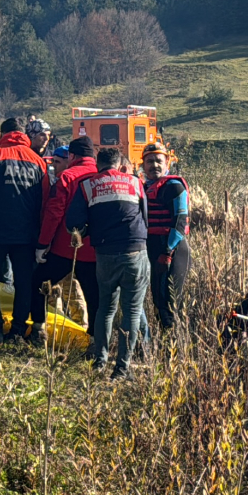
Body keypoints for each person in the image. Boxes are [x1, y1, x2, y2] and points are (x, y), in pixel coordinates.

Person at [66, 147, 150, 377]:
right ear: (120, 163)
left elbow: (73, 223)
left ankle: (100, 361)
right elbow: (145, 217)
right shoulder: (135, 183)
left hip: (105, 253)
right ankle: (122, 368)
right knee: (132, 312)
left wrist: (85, 231)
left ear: (97, 164)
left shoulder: (87, 185)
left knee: (106, 308)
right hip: (135, 251)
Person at [0, 116, 49, 342]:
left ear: (2, 134)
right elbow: (44, 201)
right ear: (23, 134)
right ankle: (17, 331)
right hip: (26, 234)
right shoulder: (38, 161)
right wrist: (41, 235)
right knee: (24, 282)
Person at [38, 136, 102, 326]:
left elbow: (53, 214)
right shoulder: (102, 175)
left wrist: (42, 244)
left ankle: (38, 327)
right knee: (94, 297)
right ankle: (94, 339)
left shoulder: (67, 177)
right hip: (95, 251)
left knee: (39, 283)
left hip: (64, 249)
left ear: (72, 155)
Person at [139, 143, 190, 332]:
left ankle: (176, 344)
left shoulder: (173, 186)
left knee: (171, 300)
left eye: (159, 161)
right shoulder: (144, 187)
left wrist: (168, 251)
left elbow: (180, 221)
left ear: (167, 162)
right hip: (153, 247)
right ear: (143, 164)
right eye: (150, 161)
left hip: (173, 248)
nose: (155, 165)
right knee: (158, 299)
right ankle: (165, 345)